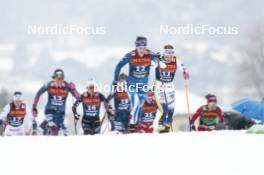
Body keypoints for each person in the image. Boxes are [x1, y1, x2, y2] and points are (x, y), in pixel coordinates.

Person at [114, 36, 160, 132]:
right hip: (131, 84)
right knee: (135, 104)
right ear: (136, 47)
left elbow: (158, 60)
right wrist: (116, 79)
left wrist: (157, 60)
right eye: (140, 48)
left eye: (144, 48)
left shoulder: (150, 54)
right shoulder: (131, 55)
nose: (142, 50)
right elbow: (119, 65)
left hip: (143, 86)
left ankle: (137, 125)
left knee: (140, 106)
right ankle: (131, 125)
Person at [32, 69, 80, 135]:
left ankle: (39, 130)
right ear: (54, 78)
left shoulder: (67, 85)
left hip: (61, 113)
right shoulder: (48, 84)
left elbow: (79, 98)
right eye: (57, 79)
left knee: (59, 132)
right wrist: (34, 107)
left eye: (61, 79)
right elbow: (38, 93)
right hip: (49, 110)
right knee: (52, 127)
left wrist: (74, 89)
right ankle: (39, 131)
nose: (59, 81)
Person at [154, 44, 189, 133]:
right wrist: (154, 59)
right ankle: (161, 124)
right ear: (164, 53)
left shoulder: (176, 60)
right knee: (164, 108)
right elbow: (150, 67)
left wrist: (185, 73)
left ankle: (167, 125)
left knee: (171, 110)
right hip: (160, 86)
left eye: (171, 53)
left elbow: (184, 68)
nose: (169, 55)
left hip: (170, 87)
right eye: (167, 53)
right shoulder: (159, 59)